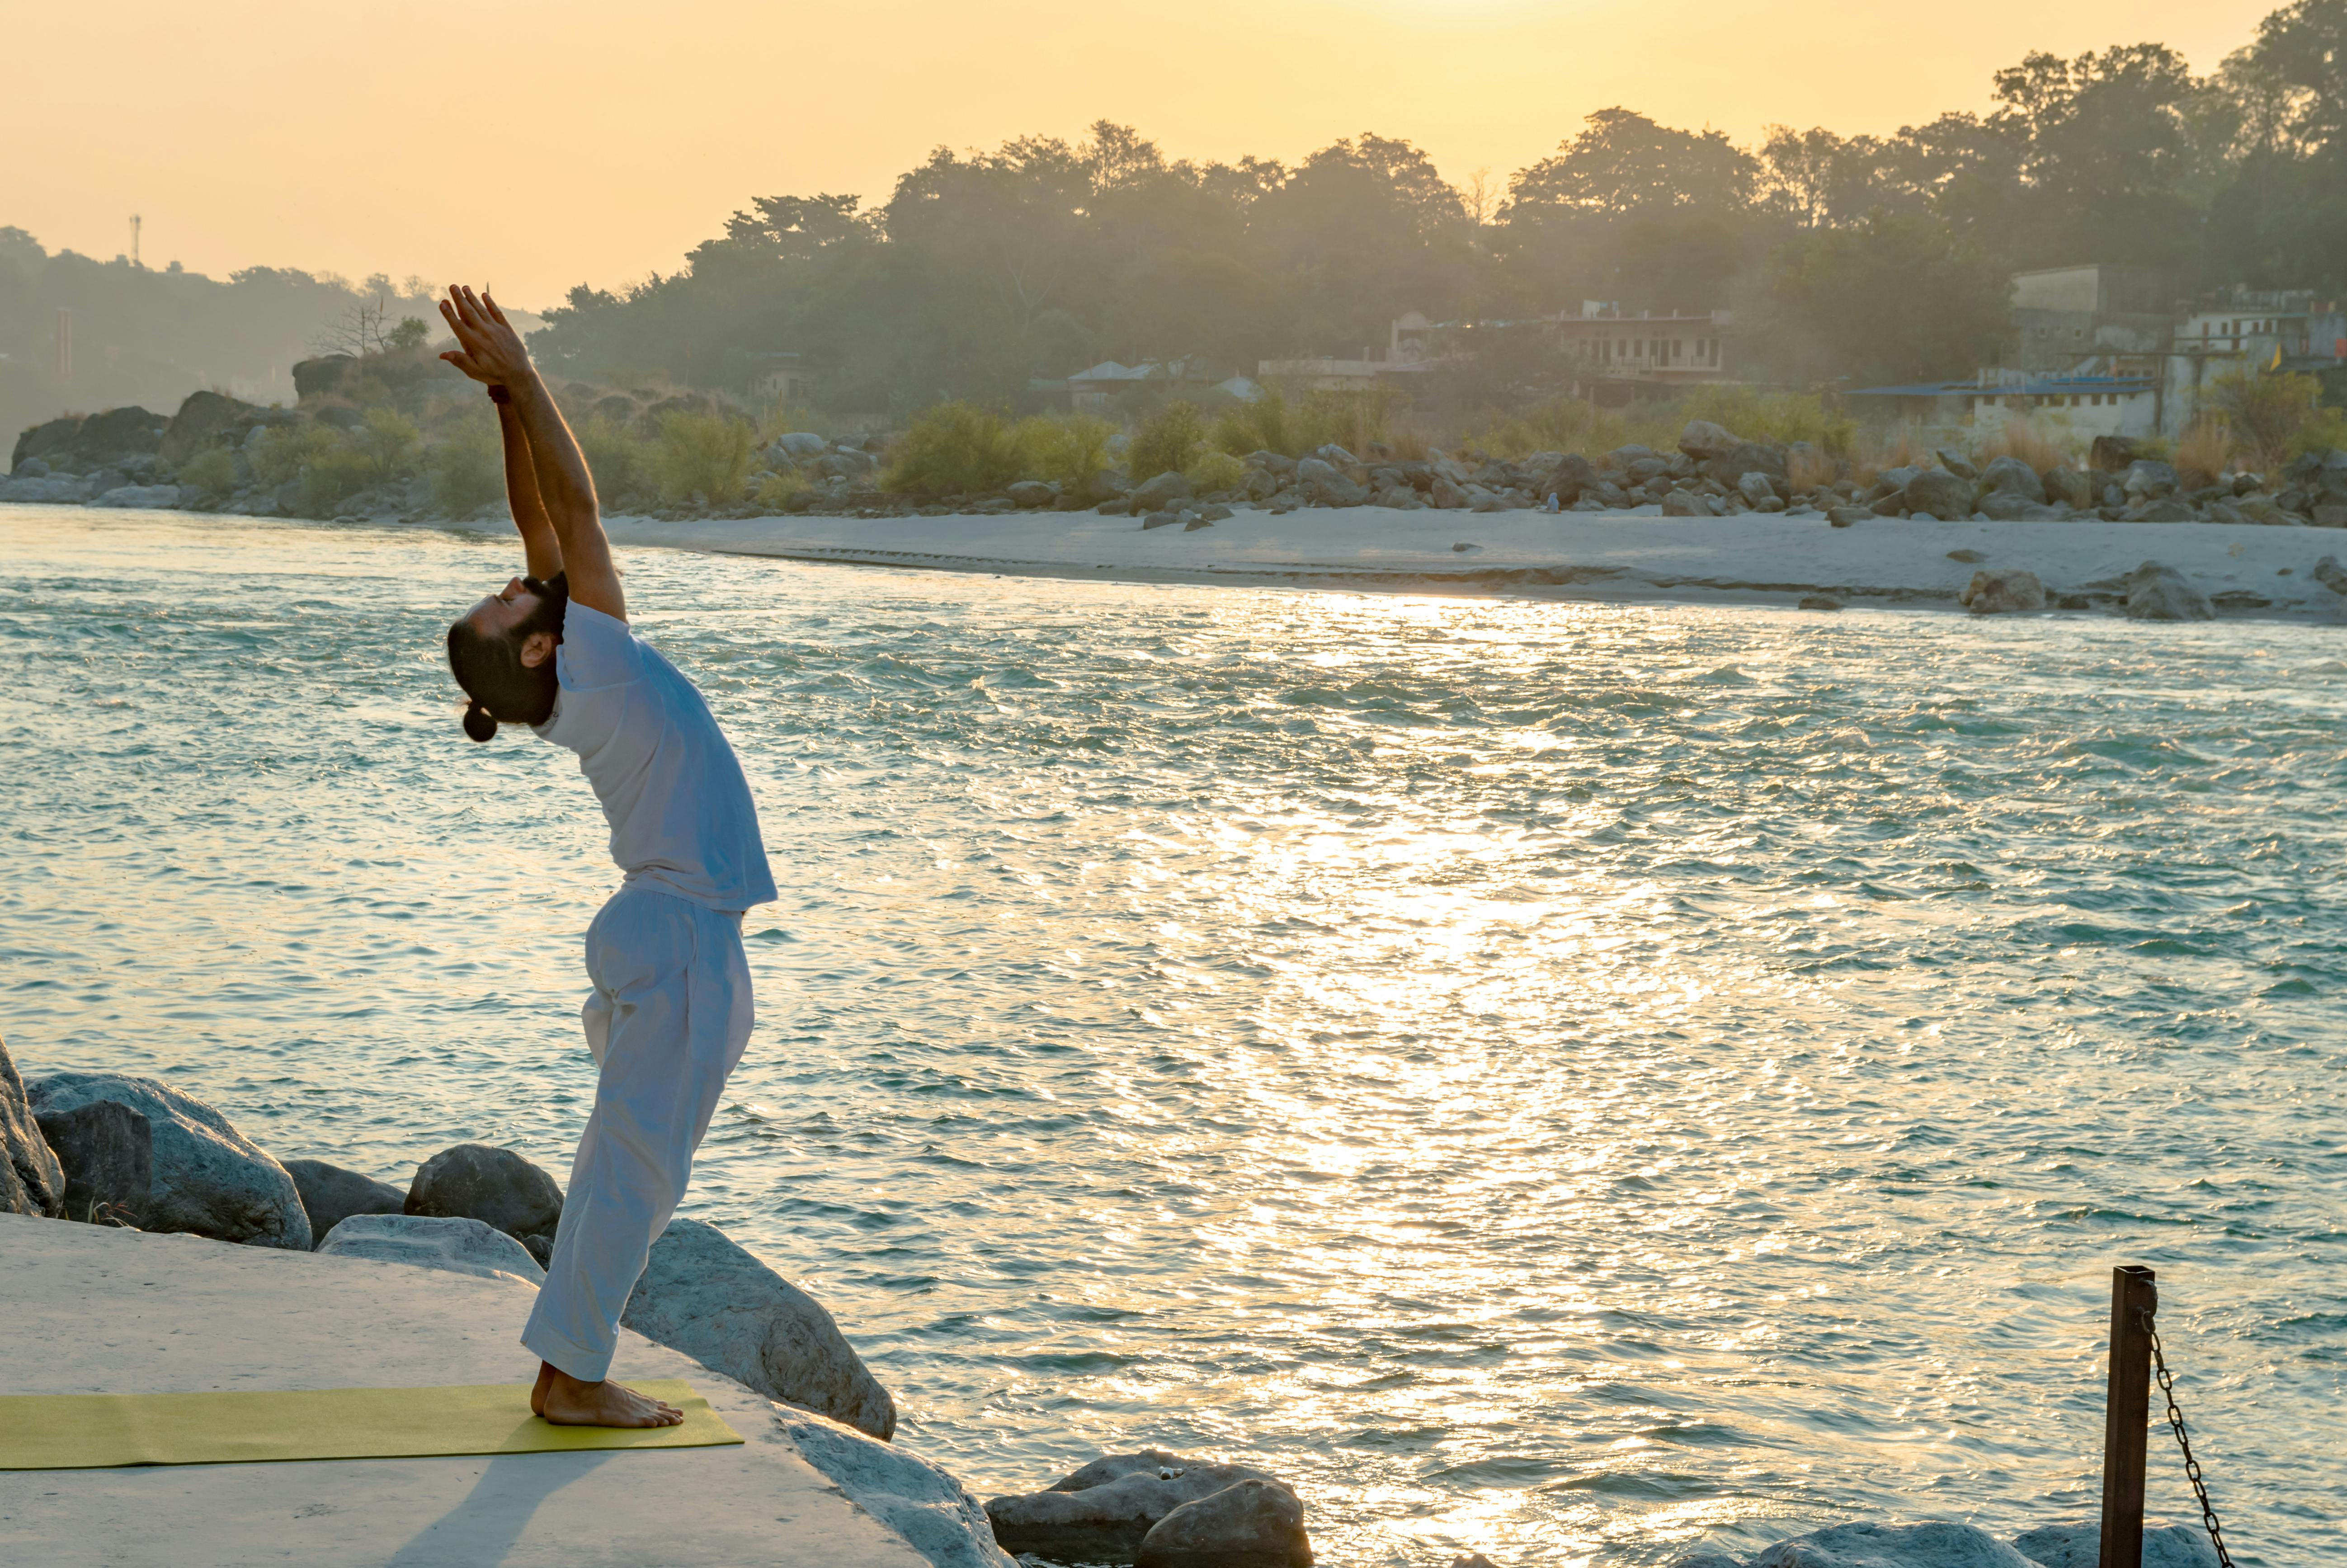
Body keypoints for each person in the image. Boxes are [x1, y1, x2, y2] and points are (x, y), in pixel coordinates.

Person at [437, 285, 777, 1427]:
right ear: (538, 642)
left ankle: (565, 1364)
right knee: (634, 1176)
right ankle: (574, 1378)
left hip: (662, 934)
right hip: (678, 939)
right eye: (504, 599)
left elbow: (539, 524)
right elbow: (575, 510)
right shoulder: (606, 664)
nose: (513, 575)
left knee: (620, 1164)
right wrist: (528, 378)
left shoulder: (575, 673)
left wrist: (502, 407)